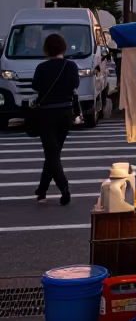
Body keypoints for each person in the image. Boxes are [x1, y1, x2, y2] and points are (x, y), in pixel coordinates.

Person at [31, 33, 80, 206]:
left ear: (46, 49)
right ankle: (42, 189)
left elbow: (35, 86)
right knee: (54, 153)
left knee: (51, 153)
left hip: (46, 114)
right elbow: (75, 85)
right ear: (64, 48)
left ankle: (63, 187)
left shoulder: (42, 67)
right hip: (66, 114)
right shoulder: (71, 66)